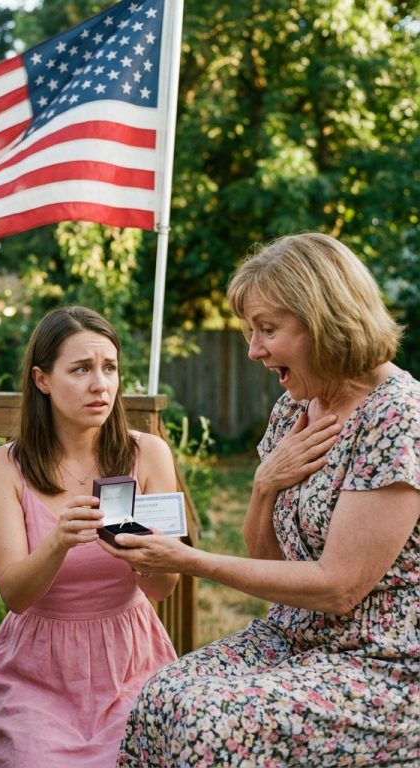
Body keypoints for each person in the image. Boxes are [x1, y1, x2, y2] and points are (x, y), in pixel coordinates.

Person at [100, 232, 420, 767]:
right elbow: (267, 559)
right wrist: (264, 485)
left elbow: (338, 588)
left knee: (211, 721)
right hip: (293, 637)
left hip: (380, 663)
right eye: (251, 330)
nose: (253, 349)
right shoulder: (293, 408)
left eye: (268, 329)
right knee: (159, 698)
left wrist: (188, 560)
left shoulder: (397, 417)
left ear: (325, 319)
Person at [0, 305, 180, 767]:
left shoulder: (148, 454)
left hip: (129, 657)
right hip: (38, 670)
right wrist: (58, 541)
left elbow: (162, 589)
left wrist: (142, 554)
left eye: (109, 368)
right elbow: (15, 595)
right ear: (42, 380)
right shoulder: (2, 468)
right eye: (82, 369)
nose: (100, 384)